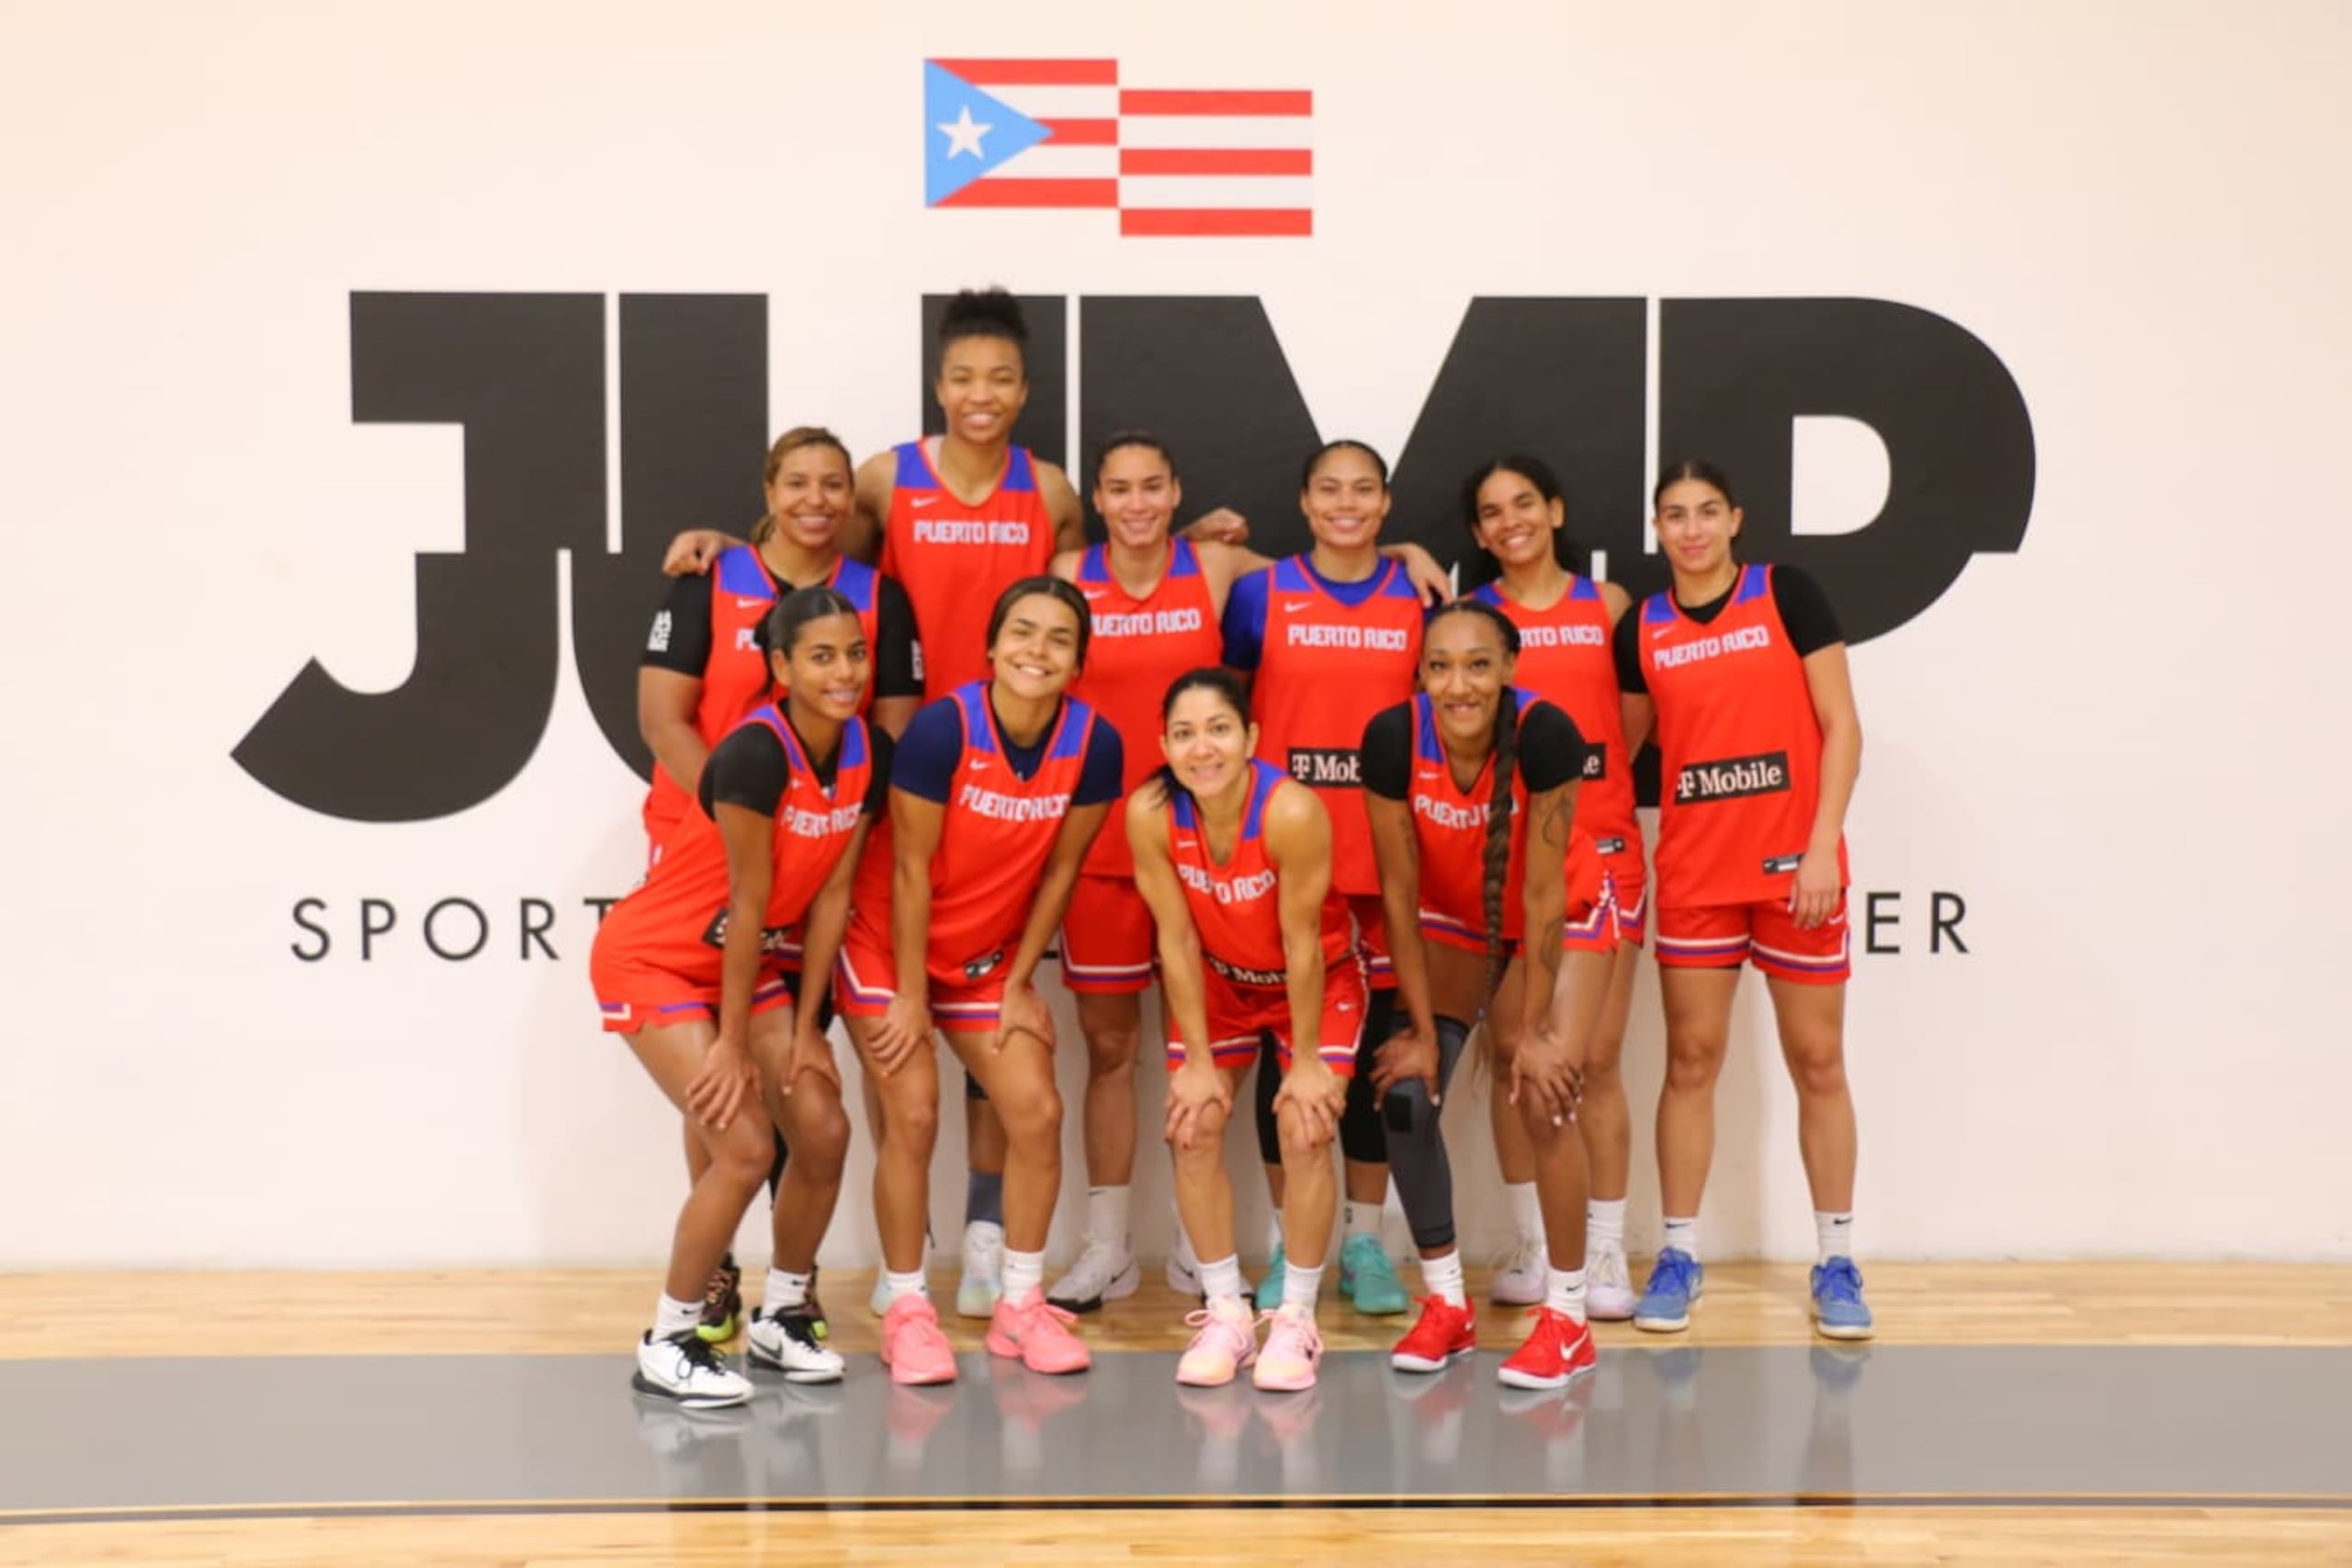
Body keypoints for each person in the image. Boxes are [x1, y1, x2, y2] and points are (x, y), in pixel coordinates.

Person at [1044, 433, 1451, 1313]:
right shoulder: (1114, 577)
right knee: (1126, 1053)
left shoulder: (1245, 574)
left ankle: (1351, 1247)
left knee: (1342, 1065)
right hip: (1145, 848)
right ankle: (1124, 1247)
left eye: (1155, 487)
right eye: (1120, 488)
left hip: (1328, 853)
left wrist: (1406, 554)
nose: (1138, 501)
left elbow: (1336, 562)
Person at [638, 427, 922, 1341]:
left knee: (797, 1086)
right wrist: (734, 814)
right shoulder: (708, 577)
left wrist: (799, 820)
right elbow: (662, 717)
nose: (816, 498)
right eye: (796, 482)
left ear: (853, 500)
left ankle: (787, 1300)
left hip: (813, 857)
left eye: (833, 484)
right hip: (708, 846)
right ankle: (711, 1279)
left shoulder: (879, 599)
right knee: (724, 1094)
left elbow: (886, 727)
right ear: (767, 488)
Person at [592, 586, 883, 1406]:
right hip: (655, 959)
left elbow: (829, 894)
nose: (845, 671)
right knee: (749, 1146)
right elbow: (750, 903)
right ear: (781, 666)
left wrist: (810, 1027)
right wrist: (728, 1042)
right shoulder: (756, 753)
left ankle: (785, 1314)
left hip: (744, 968)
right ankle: (672, 1336)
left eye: (855, 652)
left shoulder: (869, 749)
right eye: (821, 656)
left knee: (822, 1129)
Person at [836, 577, 1123, 1384]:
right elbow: (910, 873)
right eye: (1022, 632)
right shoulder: (941, 729)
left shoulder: (1095, 742)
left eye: (1059, 637)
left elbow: (1062, 870)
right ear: (991, 646)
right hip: (889, 947)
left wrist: (1021, 978)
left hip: (985, 958)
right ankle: (906, 1309)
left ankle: (1019, 1306)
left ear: (1079, 660)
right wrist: (912, 996)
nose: (1037, 649)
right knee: (917, 1112)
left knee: (1037, 1108)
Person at [1614, 459, 1871, 1339]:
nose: (1690, 529)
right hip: (1695, 874)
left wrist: (1820, 847)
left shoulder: (1785, 593)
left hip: (1796, 873)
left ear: (1735, 520)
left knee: (1818, 1062)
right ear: (1658, 529)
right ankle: (1679, 1253)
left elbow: (1841, 725)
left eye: (1706, 512)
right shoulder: (1642, 625)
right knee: (1691, 1060)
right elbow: (1622, 751)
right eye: (1674, 515)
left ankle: (1836, 1257)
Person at [1362, 599, 1614, 1390]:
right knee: (1404, 1096)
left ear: (1508, 668)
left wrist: (1536, 1029)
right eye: (1440, 665)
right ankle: (1446, 1306)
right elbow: (1399, 894)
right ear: (1421, 672)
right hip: (1454, 923)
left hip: (1561, 914)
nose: (1458, 683)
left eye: (1478, 664)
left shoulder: (1544, 734)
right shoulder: (1393, 737)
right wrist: (1415, 1028)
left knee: (1541, 1094)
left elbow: (1542, 894)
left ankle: (1569, 1319)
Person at [1221, 439, 1423, 1317]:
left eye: (1364, 490)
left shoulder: (1417, 593)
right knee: (1285, 1055)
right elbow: (1227, 723)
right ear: (1304, 502)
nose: (1347, 503)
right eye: (1329, 489)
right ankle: (1286, 1243)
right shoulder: (1260, 593)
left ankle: (1366, 1241)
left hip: (1381, 860)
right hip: (1284, 858)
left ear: (1385, 503)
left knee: (1373, 1057)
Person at [1127, 669, 1361, 1392]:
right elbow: (1176, 941)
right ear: (1164, 744)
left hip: (1311, 983)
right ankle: (1226, 1311)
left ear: (1252, 738)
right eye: (1186, 733)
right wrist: (1197, 1059)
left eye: (1220, 729)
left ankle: (1295, 1318)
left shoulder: (1290, 811)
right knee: (1193, 1122)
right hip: (1220, 983)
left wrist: (1311, 1059)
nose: (1204, 747)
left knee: (1303, 1124)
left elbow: (1301, 946)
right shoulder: (1149, 812)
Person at [1461, 456, 1647, 1320]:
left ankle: (1605, 1249)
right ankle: (1537, 1239)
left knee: (1594, 1061)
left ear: (1556, 508)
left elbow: (1628, 724)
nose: (1510, 522)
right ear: (1477, 533)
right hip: (1509, 863)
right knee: (1514, 1060)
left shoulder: (1605, 608)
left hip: (1601, 851)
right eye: (1492, 513)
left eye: (1525, 503)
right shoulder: (1473, 623)